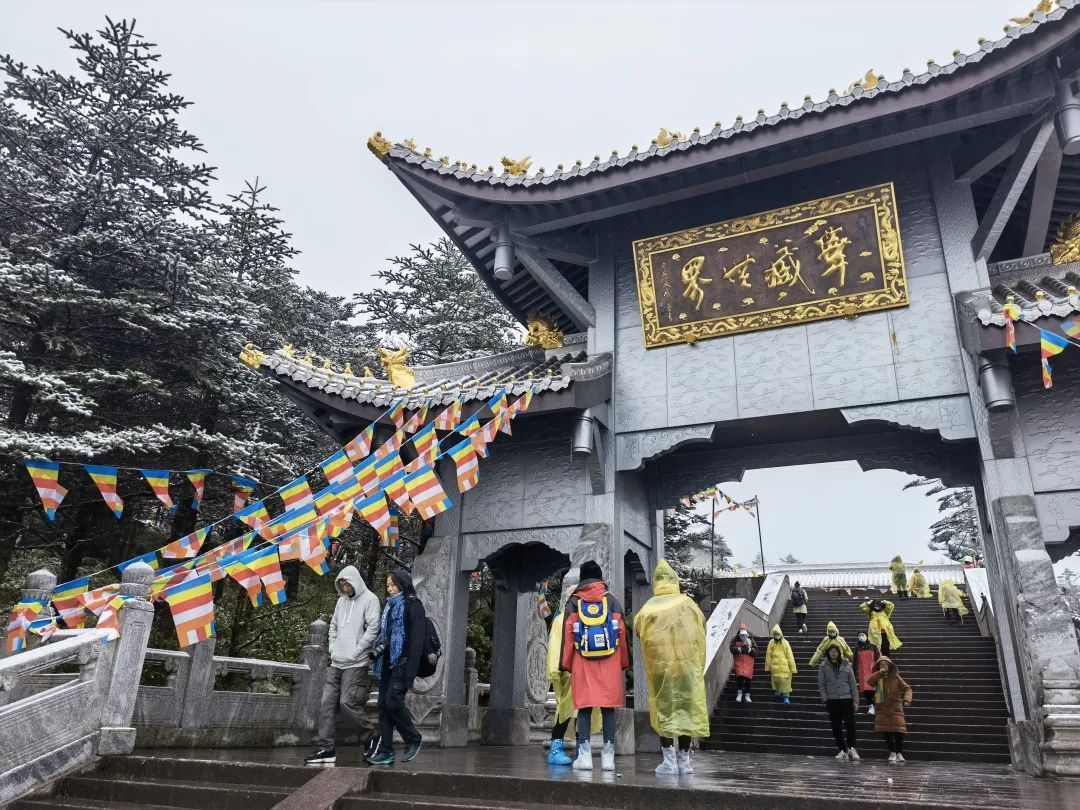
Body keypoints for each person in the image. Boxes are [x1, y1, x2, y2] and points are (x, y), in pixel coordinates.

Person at [633, 560, 709, 776]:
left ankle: (669, 761)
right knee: (686, 710)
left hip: (661, 668)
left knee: (664, 710)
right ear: (675, 581)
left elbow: (638, 629)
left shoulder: (648, 607)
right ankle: (684, 761)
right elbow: (702, 625)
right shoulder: (689, 603)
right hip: (686, 667)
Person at [305, 566, 381, 765]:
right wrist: (332, 648)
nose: (345, 587)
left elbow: (373, 629)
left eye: (347, 583)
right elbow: (333, 626)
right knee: (326, 704)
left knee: (347, 703)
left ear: (355, 581)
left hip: (356, 663)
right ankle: (326, 748)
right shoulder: (340, 601)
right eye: (342, 584)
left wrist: (356, 651)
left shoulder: (371, 599)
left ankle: (372, 737)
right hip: (336, 662)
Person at [561, 560, 629, 772]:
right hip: (610, 661)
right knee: (608, 708)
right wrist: (623, 662)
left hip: (583, 660)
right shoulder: (612, 600)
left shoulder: (574, 601)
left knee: (584, 708)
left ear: (582, 578)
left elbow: (568, 635)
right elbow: (622, 634)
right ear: (600, 578)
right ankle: (608, 759)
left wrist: (566, 664)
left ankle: (585, 757)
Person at [366, 568, 426, 766]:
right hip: (386, 664)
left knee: (393, 703)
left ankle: (413, 739)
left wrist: (410, 674)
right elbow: (386, 637)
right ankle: (386, 751)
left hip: (403, 663)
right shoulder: (389, 608)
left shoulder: (413, 606)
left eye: (394, 585)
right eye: (388, 585)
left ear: (402, 584)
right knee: (383, 707)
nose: (390, 589)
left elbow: (416, 642)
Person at [545, 568, 600, 766]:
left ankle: (573, 747)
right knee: (570, 711)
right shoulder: (568, 618)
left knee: (576, 712)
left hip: (576, 671)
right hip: (572, 672)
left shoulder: (572, 617)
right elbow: (556, 646)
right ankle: (564, 748)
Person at [817, 643, 860, 761]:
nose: (833, 653)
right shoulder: (823, 666)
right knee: (836, 726)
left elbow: (853, 684)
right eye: (831, 651)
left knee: (850, 724)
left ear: (839, 652)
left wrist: (856, 700)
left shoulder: (847, 665)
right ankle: (842, 749)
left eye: (835, 651)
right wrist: (825, 698)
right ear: (828, 652)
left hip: (846, 699)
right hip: (832, 700)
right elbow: (821, 684)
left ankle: (852, 748)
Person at [866, 656, 913, 763]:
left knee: (899, 731)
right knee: (886, 731)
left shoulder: (896, 677)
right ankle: (892, 751)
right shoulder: (877, 677)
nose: (884, 666)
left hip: (895, 707)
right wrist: (879, 673)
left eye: (885, 664)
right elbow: (869, 682)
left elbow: (907, 688)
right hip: (882, 707)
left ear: (889, 666)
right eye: (881, 665)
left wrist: (907, 700)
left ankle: (899, 753)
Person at [764, 624, 796, 704]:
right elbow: (768, 655)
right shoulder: (771, 643)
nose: (776, 636)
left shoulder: (785, 642)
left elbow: (789, 655)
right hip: (775, 666)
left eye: (777, 634)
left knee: (785, 682)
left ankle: (786, 697)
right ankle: (778, 690)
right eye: (774, 634)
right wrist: (768, 667)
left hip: (785, 666)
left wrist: (792, 667)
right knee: (776, 680)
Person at [853, 632, 880, 715]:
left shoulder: (873, 646)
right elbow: (854, 662)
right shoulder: (857, 648)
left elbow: (878, 658)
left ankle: (878, 706)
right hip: (863, 673)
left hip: (873, 671)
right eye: (859, 635)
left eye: (863, 635)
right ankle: (871, 706)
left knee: (877, 690)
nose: (861, 637)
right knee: (866, 690)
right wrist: (854, 674)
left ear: (866, 636)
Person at [729, 623, 755, 703]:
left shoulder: (750, 639)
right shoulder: (735, 639)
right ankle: (739, 694)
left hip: (748, 661)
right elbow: (731, 648)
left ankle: (747, 695)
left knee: (748, 679)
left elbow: (756, 649)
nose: (743, 637)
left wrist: (751, 650)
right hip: (739, 661)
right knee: (739, 677)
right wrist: (739, 649)